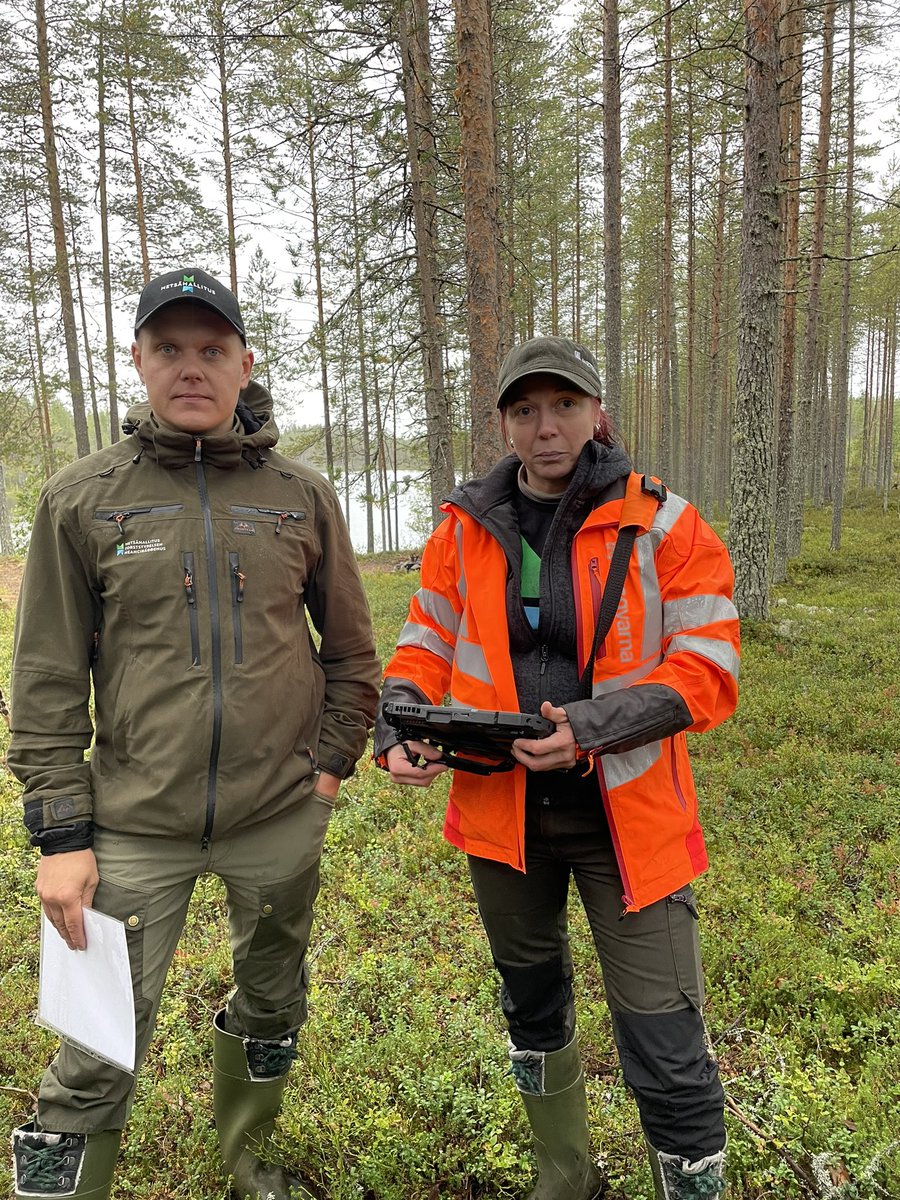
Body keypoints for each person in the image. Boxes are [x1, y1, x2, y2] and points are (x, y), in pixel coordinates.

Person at [9, 267, 381, 1200]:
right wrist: (61, 836)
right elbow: (46, 681)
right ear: (137, 360)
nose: (191, 367)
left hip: (278, 820)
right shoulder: (81, 499)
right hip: (132, 826)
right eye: (168, 348)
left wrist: (327, 772)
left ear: (244, 362)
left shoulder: (300, 494)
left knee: (271, 1002)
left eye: (211, 349)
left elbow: (352, 652)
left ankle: (248, 1163)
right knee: (95, 1037)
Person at [375, 336, 740, 1200]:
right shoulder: (463, 529)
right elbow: (422, 642)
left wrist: (589, 729)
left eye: (565, 406)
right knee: (531, 1006)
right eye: (527, 410)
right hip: (503, 818)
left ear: (596, 412)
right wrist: (398, 725)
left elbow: (709, 666)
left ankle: (690, 1183)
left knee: (664, 1033)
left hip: (628, 817)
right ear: (503, 421)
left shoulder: (665, 524)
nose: (547, 428)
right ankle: (562, 1176)